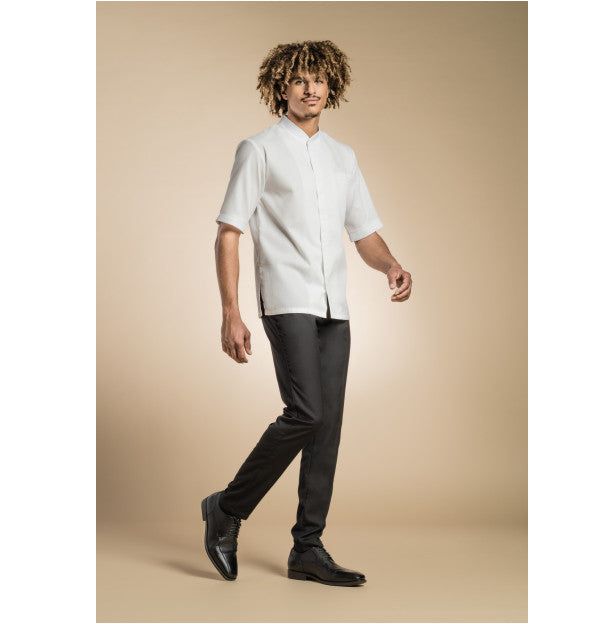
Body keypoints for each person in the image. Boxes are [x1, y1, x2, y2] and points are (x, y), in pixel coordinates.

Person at [202, 40, 412, 586]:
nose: (310, 88)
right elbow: (229, 232)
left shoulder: (344, 157)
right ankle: (227, 507)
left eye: (318, 79)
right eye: (299, 79)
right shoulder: (259, 149)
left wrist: (390, 265)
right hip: (287, 298)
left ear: (331, 86)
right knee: (307, 413)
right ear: (282, 87)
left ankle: (307, 548)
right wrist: (231, 312)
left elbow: (363, 232)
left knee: (327, 427)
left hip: (334, 306)